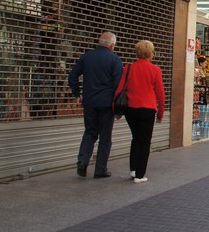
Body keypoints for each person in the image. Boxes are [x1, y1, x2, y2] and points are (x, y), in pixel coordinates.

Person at [68, 31, 123, 178]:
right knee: (105, 137)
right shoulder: (115, 60)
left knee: (90, 132)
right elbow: (118, 86)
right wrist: (118, 108)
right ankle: (100, 170)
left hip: (89, 102)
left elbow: (72, 76)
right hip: (107, 104)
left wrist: (77, 94)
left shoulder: (86, 57)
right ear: (112, 45)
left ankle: (83, 160)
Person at [114, 40, 165, 184]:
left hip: (131, 108)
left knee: (136, 138)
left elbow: (120, 88)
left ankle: (133, 169)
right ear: (151, 53)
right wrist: (160, 113)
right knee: (145, 141)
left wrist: (116, 110)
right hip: (148, 109)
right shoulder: (155, 70)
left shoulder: (129, 67)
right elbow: (160, 94)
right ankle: (140, 175)